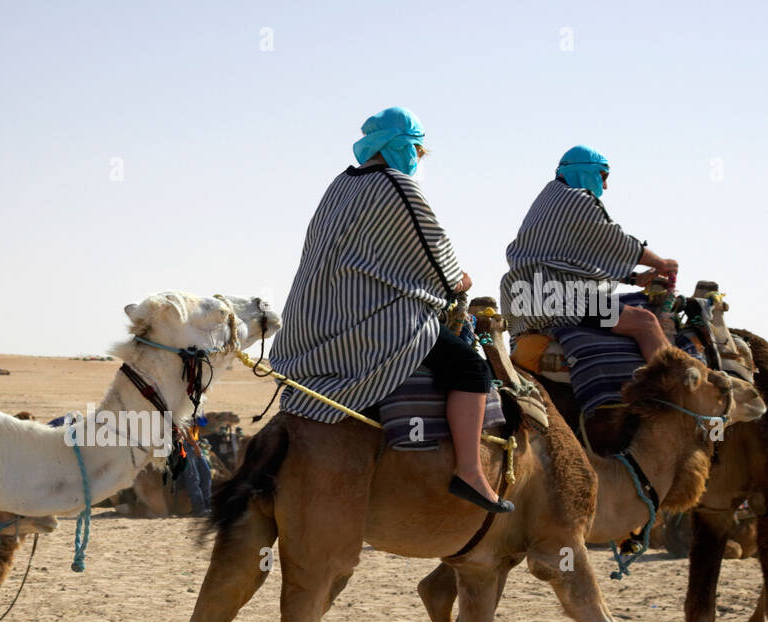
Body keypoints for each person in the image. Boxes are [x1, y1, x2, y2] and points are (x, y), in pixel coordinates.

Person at [268, 107, 510, 513]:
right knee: (472, 369)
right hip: (366, 328)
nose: (417, 158)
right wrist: (462, 281)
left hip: (306, 332)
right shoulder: (398, 187)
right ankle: (470, 471)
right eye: (417, 149)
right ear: (401, 146)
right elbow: (445, 270)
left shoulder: (340, 184)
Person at [500, 145, 679, 360]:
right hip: (557, 300)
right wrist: (662, 263)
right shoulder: (577, 200)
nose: (604, 185)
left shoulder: (550, 197)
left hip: (524, 302)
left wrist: (633, 278)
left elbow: (574, 258)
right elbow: (615, 242)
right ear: (584, 171)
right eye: (602, 176)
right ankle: (667, 385)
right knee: (646, 322)